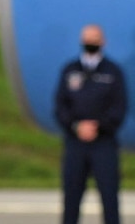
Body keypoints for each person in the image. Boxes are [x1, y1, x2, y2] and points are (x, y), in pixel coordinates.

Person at [55, 23, 128, 224]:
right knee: (71, 195)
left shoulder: (112, 72)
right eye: (87, 39)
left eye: (95, 39)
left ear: (103, 41)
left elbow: (119, 106)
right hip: (75, 142)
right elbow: (60, 105)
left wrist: (99, 127)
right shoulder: (70, 70)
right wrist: (76, 126)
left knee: (109, 195)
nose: (91, 43)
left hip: (103, 142)